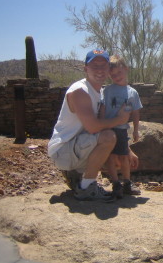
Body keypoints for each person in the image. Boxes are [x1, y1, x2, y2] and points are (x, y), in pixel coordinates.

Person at [48, 49, 138, 202]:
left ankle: (79, 177)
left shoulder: (101, 92)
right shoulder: (80, 91)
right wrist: (120, 119)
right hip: (64, 150)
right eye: (94, 66)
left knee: (118, 156)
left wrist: (127, 149)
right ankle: (85, 188)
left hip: (77, 146)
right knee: (109, 138)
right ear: (85, 69)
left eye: (103, 66)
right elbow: (93, 128)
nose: (99, 70)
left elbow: (104, 123)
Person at [100, 55, 142, 198]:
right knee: (110, 157)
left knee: (124, 157)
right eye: (113, 75)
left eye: (119, 73)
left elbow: (135, 112)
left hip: (123, 129)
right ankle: (116, 184)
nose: (116, 77)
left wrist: (136, 130)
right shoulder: (107, 91)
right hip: (108, 129)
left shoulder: (132, 93)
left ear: (126, 69)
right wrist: (101, 125)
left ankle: (127, 183)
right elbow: (103, 109)